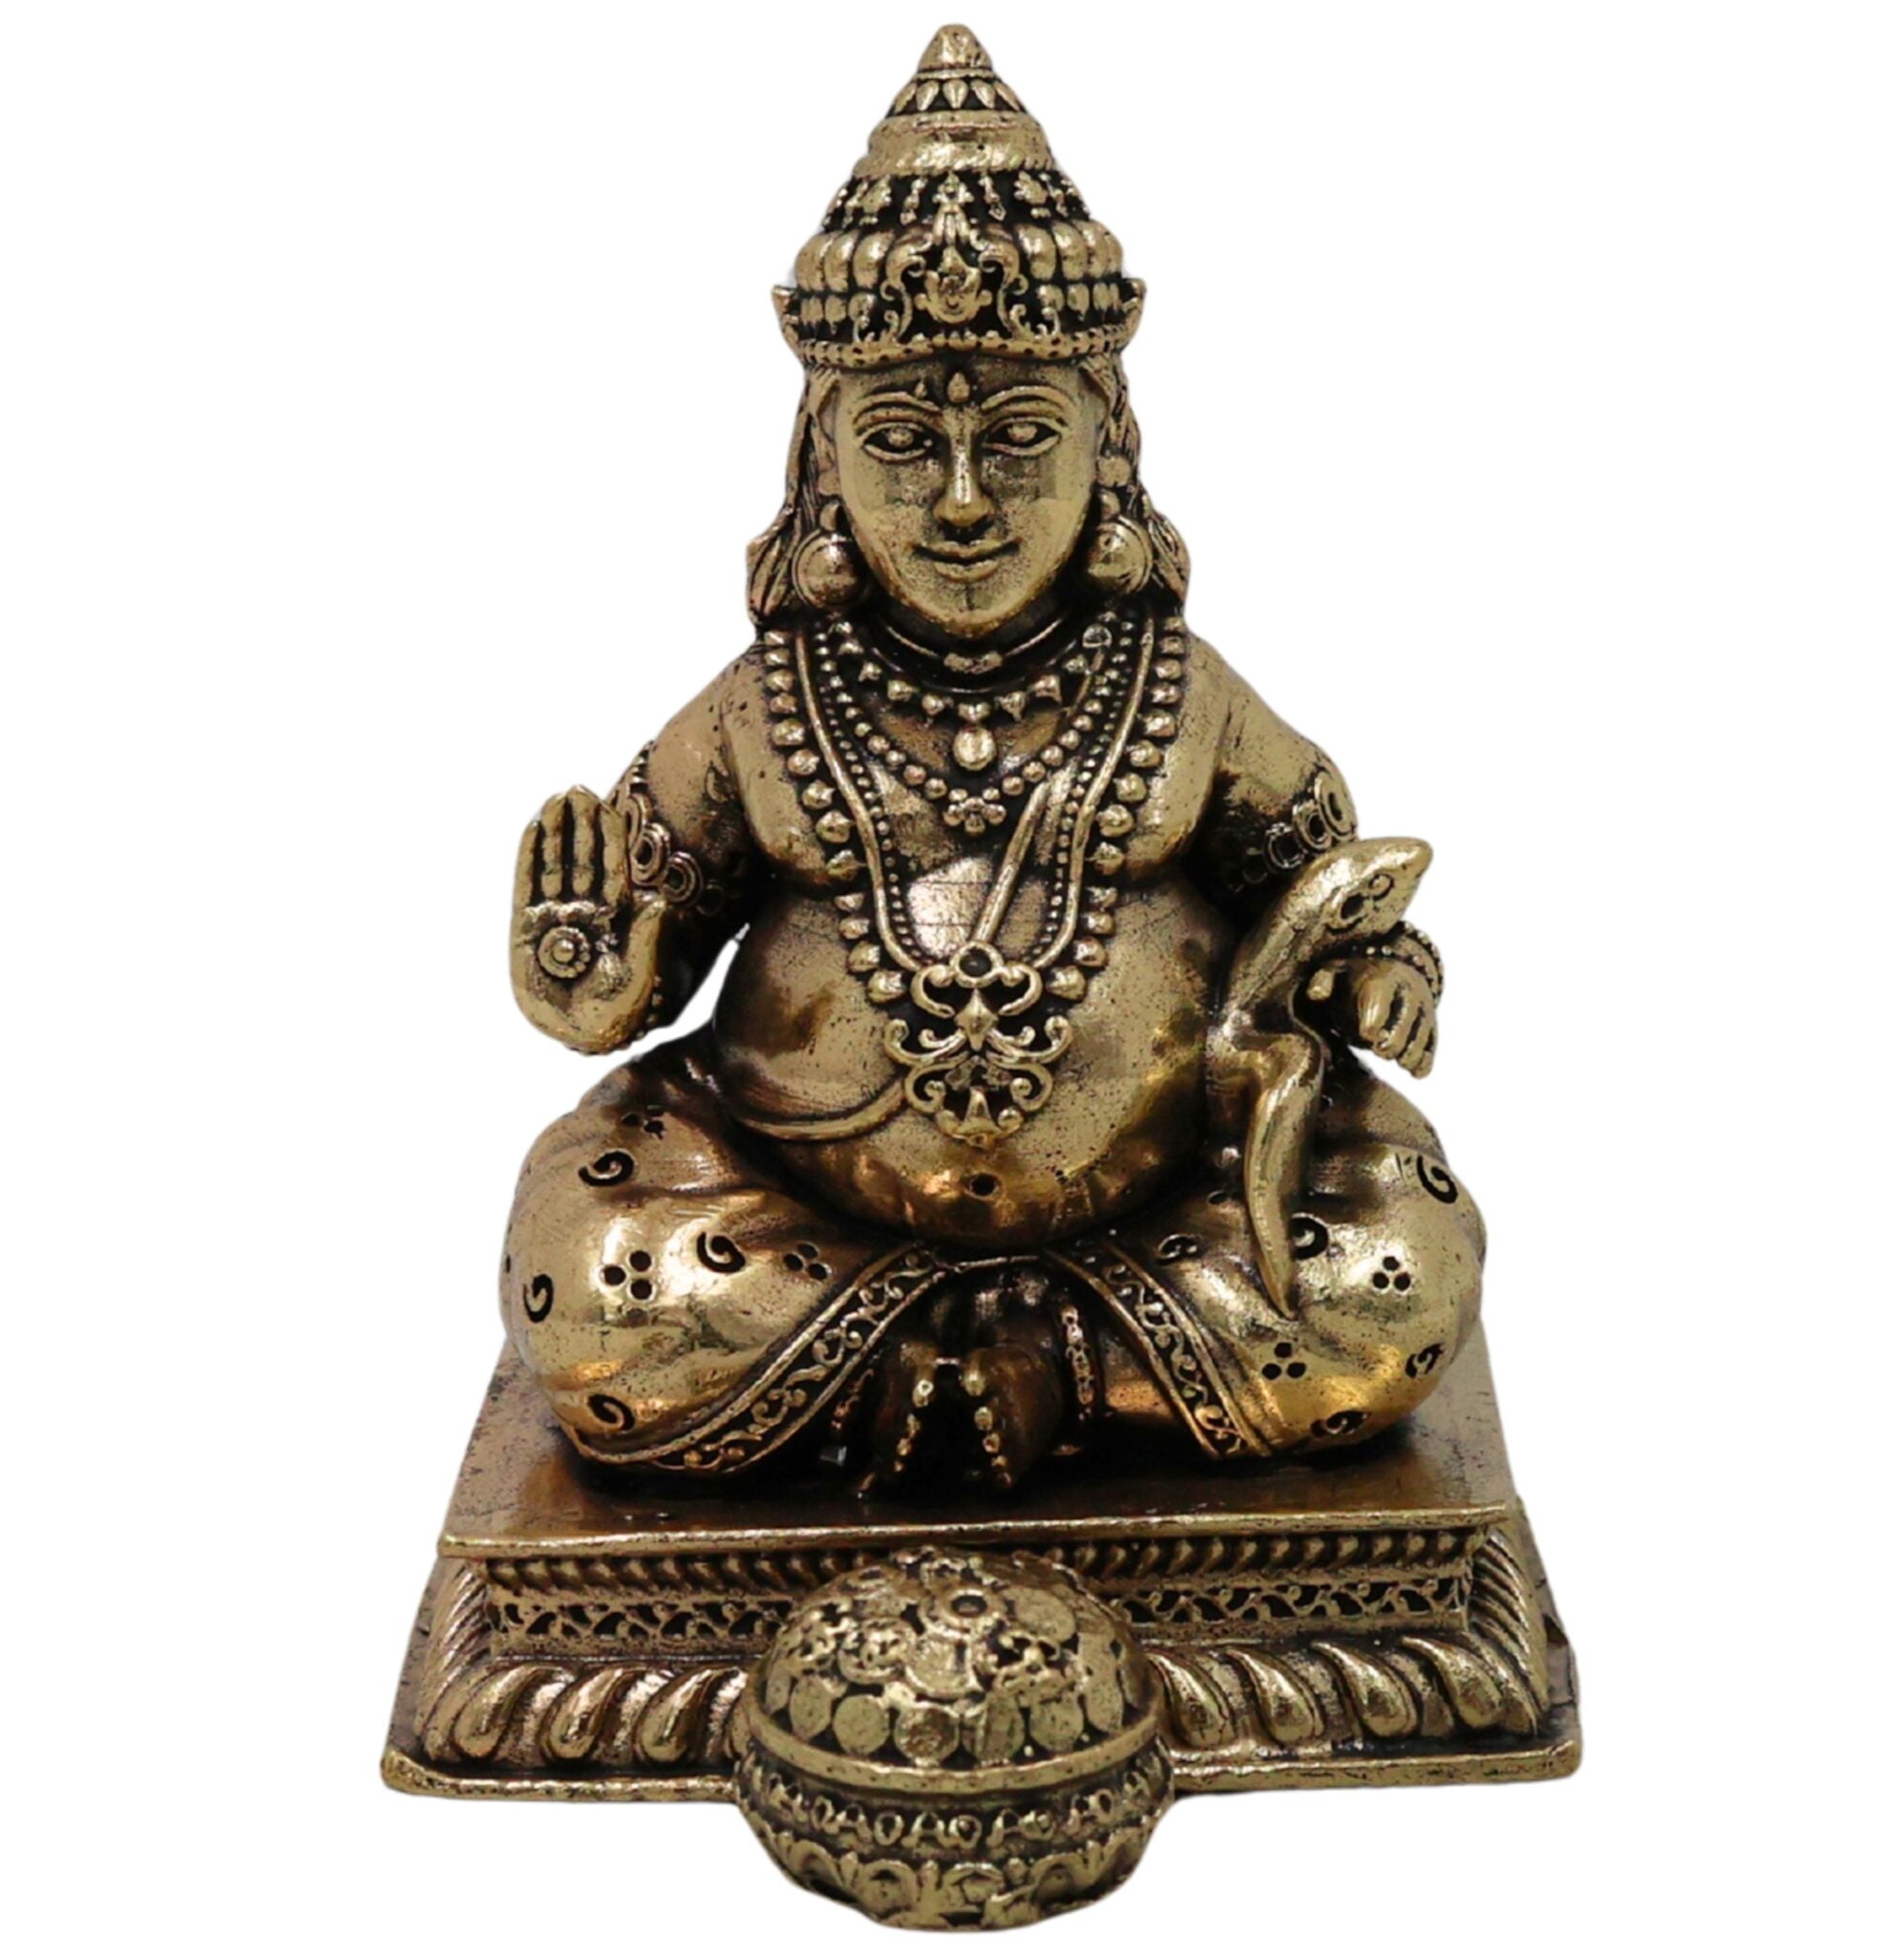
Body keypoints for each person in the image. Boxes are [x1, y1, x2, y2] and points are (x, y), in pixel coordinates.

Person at [500, 27, 1482, 1491]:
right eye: (904, 442)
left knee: (1395, 1267)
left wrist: (1371, 976)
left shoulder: (1186, 696)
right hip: (797, 1208)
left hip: (1158, 1210)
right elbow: (645, 952)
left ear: (1107, 448)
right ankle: (960, 1363)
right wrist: (588, 977)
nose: (964, 500)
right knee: (593, 1283)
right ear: (824, 460)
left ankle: (1038, 1364)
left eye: (1020, 435)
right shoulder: (765, 707)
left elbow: (1328, 890)